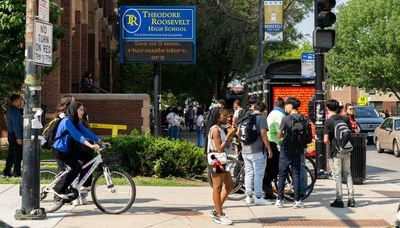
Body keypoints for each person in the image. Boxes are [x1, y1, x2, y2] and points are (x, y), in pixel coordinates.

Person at [52, 101, 100, 199]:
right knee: (77, 168)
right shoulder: (67, 121)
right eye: (80, 109)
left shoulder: (75, 121)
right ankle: (58, 189)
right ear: (74, 110)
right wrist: (90, 145)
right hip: (59, 150)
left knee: (88, 156)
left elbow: (86, 132)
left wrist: (99, 140)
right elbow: (78, 136)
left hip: (67, 149)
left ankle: (84, 184)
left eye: (83, 109)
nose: (83, 112)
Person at [276, 96, 311, 208]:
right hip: (298, 149)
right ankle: (297, 200)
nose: (285, 107)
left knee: (282, 174)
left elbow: (279, 135)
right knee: (296, 174)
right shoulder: (304, 118)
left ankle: (280, 200)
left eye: (286, 105)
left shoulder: (286, 119)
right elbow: (308, 137)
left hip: (286, 150)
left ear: (291, 106)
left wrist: (282, 139)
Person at [324, 99, 355, 208]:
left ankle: (339, 199)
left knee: (337, 175)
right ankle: (351, 199)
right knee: (348, 173)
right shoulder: (345, 119)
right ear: (338, 108)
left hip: (336, 151)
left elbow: (325, 139)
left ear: (328, 108)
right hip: (346, 149)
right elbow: (350, 131)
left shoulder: (328, 122)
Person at [207, 107, 236, 225]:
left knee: (230, 185)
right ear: (218, 117)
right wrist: (229, 136)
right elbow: (219, 149)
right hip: (217, 160)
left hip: (221, 161)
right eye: (225, 116)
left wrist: (231, 133)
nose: (227, 118)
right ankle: (219, 215)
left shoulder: (220, 128)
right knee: (217, 187)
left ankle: (216, 210)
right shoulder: (215, 130)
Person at [241, 101, 273, 205]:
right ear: (264, 110)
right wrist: (269, 149)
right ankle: (258, 197)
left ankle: (248, 196)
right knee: (258, 175)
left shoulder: (245, 117)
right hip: (258, 151)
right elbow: (264, 134)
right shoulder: (261, 118)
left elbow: (238, 132)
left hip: (245, 150)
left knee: (249, 173)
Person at [263, 97, 285, 200]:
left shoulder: (272, 113)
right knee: (275, 168)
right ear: (283, 106)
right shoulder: (279, 115)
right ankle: (266, 186)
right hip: (274, 142)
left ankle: (268, 190)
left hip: (269, 141)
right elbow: (279, 132)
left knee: (270, 167)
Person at [52, 95, 75, 173]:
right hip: (60, 147)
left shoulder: (66, 114)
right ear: (68, 104)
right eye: (73, 102)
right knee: (63, 172)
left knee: (66, 170)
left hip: (64, 146)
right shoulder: (63, 116)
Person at [3, 94, 23, 178]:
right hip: (15, 135)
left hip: (12, 134)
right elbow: (16, 125)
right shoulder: (14, 111)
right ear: (15, 101)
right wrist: (18, 137)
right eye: (19, 100)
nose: (21, 102)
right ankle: (16, 172)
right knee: (17, 155)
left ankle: (7, 171)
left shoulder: (12, 110)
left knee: (11, 154)